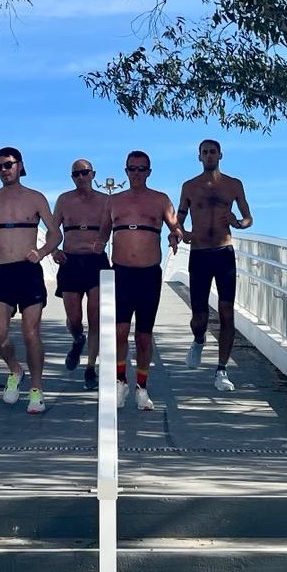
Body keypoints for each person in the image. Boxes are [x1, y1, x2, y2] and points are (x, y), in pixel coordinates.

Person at [0, 146, 59, 414]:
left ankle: (36, 389)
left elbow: (55, 233)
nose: (4, 170)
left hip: (28, 271)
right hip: (2, 272)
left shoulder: (35, 198)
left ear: (20, 165)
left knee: (30, 333)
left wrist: (42, 252)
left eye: (8, 164)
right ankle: (15, 369)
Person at [178, 139, 253, 391]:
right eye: (205, 152)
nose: (209, 155)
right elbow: (179, 218)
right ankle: (199, 339)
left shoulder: (233, 185)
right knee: (199, 316)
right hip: (199, 253)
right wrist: (182, 233)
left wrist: (237, 222)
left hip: (223, 252)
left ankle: (221, 370)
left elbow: (248, 217)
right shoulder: (189, 186)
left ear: (220, 155)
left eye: (213, 152)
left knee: (226, 312)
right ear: (199, 156)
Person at [109, 150, 181, 410]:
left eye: (141, 169)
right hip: (121, 273)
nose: (136, 173)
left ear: (149, 172)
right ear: (126, 171)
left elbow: (176, 227)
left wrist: (174, 235)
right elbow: (102, 235)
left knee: (143, 336)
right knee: (119, 331)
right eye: (132, 169)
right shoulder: (114, 201)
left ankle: (142, 386)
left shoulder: (160, 199)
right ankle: (120, 381)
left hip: (148, 274)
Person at [52, 159, 111, 390]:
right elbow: (53, 230)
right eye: (76, 174)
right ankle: (78, 339)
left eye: (84, 172)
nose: (80, 177)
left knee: (95, 317)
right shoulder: (64, 200)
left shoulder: (106, 201)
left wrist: (105, 242)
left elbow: (118, 227)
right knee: (74, 317)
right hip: (70, 261)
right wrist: (54, 250)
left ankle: (90, 368)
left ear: (93, 174)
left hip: (96, 261)